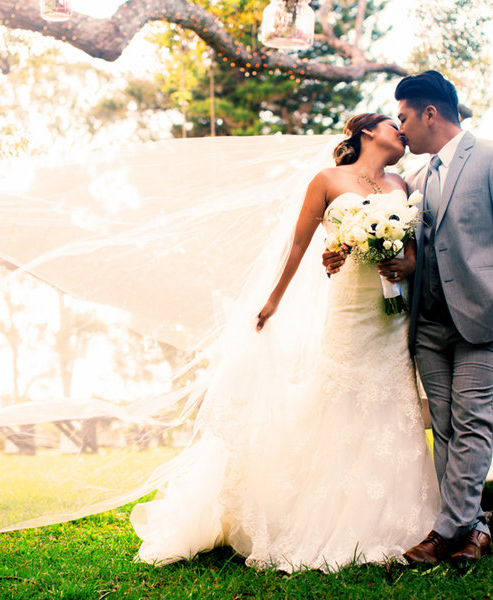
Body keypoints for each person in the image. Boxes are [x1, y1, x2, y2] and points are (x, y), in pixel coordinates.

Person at [130, 113, 440, 572]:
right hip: (350, 310)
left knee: (390, 402)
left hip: (393, 317)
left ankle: (394, 519)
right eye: (393, 123)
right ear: (368, 131)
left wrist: (405, 266)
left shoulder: (402, 183)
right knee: (339, 396)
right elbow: (297, 245)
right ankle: (313, 511)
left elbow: (414, 248)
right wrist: (273, 299)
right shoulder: (327, 180)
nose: (402, 130)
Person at [324, 71, 493, 568]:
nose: (400, 129)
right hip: (426, 326)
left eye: (403, 117)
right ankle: (475, 530)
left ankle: (446, 532)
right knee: (443, 428)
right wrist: (344, 252)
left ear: (429, 113)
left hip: (486, 319)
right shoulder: (413, 181)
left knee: (471, 422)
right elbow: (411, 249)